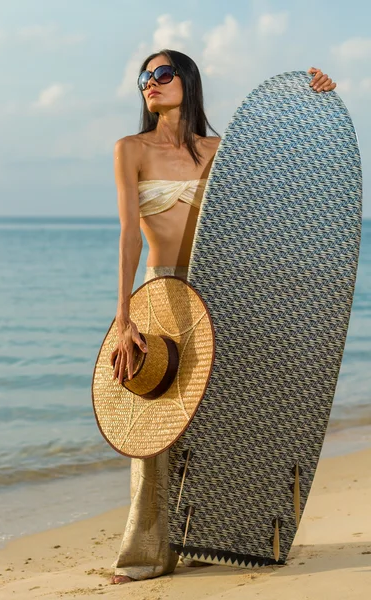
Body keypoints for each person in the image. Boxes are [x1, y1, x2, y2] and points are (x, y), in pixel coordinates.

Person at [109, 49, 337, 585]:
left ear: (187, 81)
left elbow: (284, 188)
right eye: (145, 77)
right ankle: (145, 555)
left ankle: (215, 538)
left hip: (223, 292)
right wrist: (123, 316)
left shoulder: (220, 151)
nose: (151, 83)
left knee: (225, 419)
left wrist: (316, 97)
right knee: (153, 423)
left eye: (163, 73)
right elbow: (126, 237)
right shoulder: (130, 148)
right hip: (162, 291)